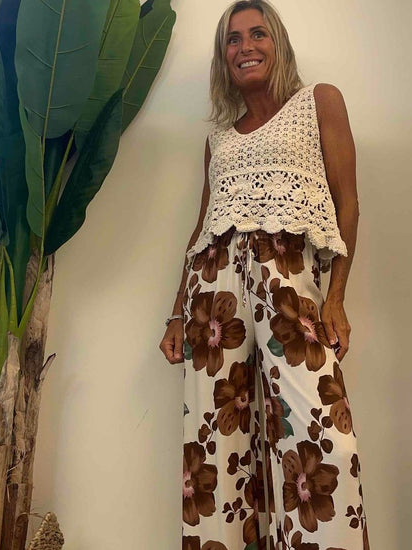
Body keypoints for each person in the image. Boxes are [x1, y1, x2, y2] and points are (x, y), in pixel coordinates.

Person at [159, 1, 370, 548]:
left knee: (323, 438)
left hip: (288, 281)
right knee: (215, 445)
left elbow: (347, 205)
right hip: (214, 294)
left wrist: (336, 297)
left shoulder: (319, 102)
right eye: (233, 40)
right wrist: (176, 314)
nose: (245, 47)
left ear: (278, 44)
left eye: (257, 34)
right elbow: (202, 227)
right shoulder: (218, 140)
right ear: (223, 57)